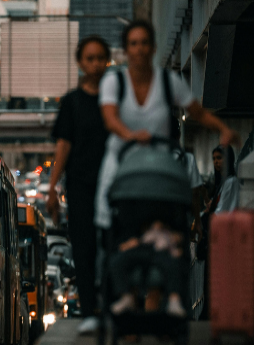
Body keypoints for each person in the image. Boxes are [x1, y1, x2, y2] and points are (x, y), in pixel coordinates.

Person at [94, 20, 239, 232]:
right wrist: (131, 135)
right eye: (133, 43)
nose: (139, 48)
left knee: (166, 226)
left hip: (157, 166)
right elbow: (110, 119)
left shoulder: (169, 81)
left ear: (153, 48)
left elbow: (197, 112)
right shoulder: (113, 83)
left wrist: (223, 129)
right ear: (126, 50)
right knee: (112, 229)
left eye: (144, 43)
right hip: (121, 164)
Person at [47, 35, 112, 334]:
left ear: (107, 60)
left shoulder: (116, 98)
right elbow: (63, 146)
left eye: (101, 58)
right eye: (90, 58)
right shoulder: (71, 102)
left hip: (113, 185)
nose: (96, 63)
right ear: (80, 62)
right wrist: (52, 188)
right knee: (83, 249)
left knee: (112, 247)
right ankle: (89, 311)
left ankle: (112, 306)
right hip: (80, 187)